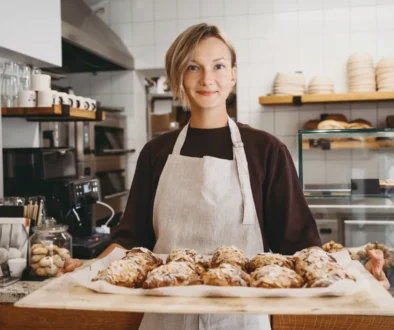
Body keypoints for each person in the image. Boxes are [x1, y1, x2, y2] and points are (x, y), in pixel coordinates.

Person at [62, 23, 390, 328]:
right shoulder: (156, 152)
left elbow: (300, 245)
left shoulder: (267, 150)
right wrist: (90, 269)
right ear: (178, 76)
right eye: (193, 66)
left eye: (218, 66)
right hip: (166, 316)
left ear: (233, 76)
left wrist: (358, 275)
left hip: (242, 319)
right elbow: (131, 238)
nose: (207, 78)